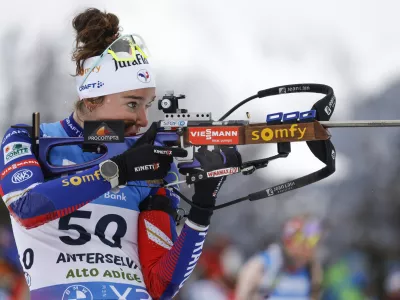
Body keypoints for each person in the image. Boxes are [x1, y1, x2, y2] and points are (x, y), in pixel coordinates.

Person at [0, 8, 241, 300]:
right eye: (132, 104)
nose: (142, 118)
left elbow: (160, 285)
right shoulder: (30, 139)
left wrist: (202, 209)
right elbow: (26, 206)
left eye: (147, 104)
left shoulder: (151, 162)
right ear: (92, 97)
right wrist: (119, 171)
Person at [235, 215, 324, 300]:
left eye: (313, 240)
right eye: (299, 238)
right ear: (287, 240)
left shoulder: (312, 270)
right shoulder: (261, 265)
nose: (307, 247)